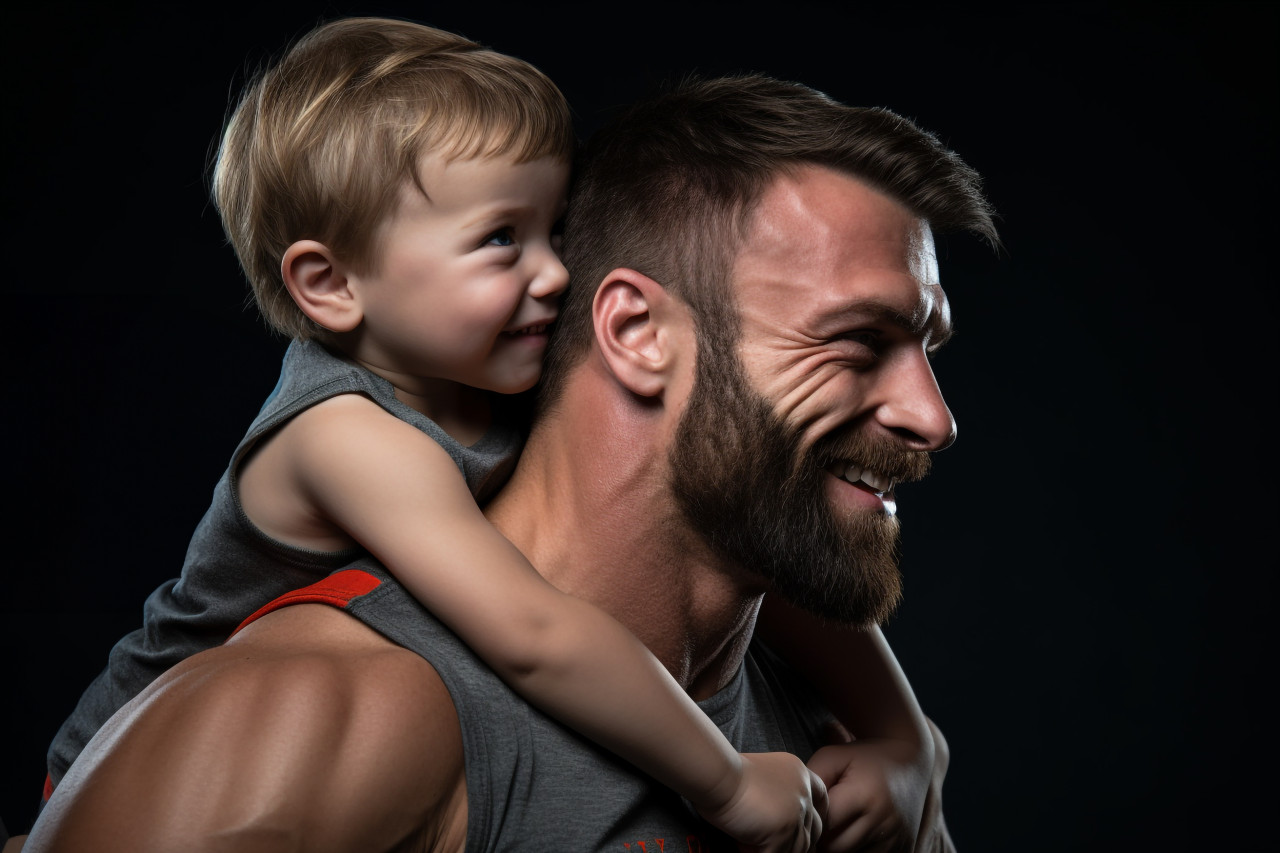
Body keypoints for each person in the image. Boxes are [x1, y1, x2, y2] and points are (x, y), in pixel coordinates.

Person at [25, 66, 996, 852]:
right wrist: (726, 779)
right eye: (854, 341)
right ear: (633, 332)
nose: (931, 416)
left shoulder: (848, 761)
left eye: (927, 347)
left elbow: (729, 513)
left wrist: (911, 742)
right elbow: (536, 629)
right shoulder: (308, 714)